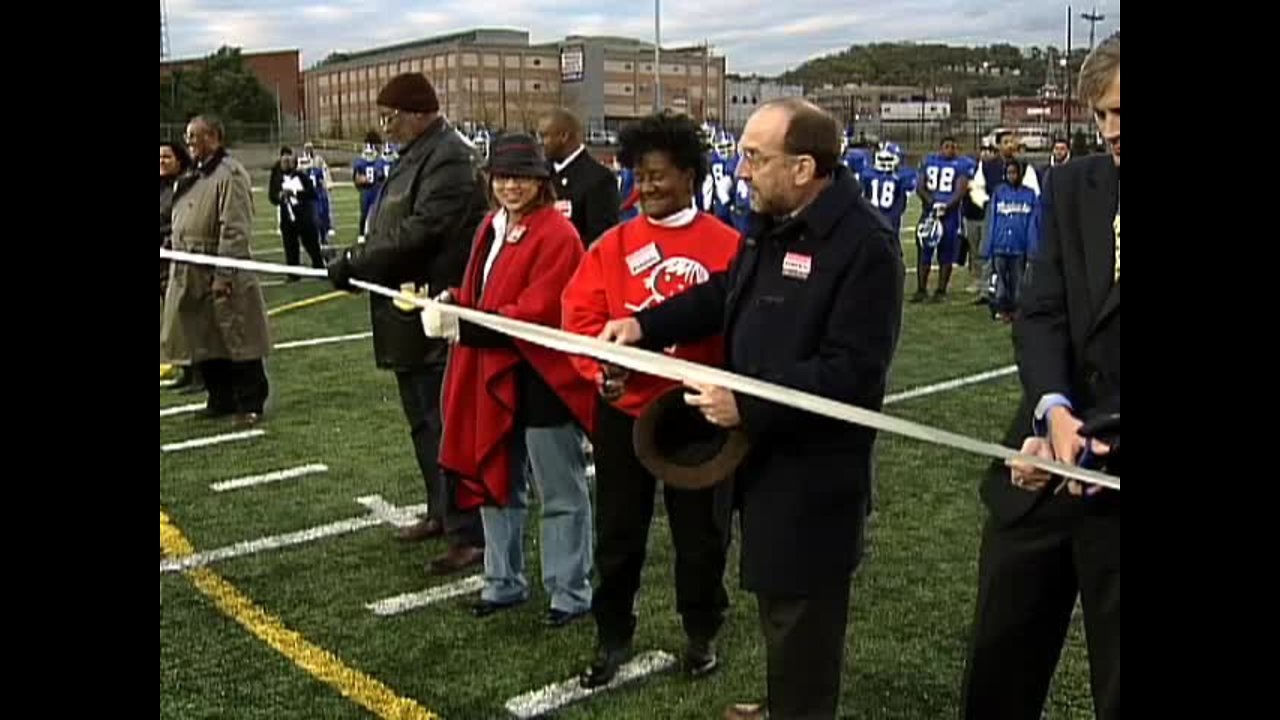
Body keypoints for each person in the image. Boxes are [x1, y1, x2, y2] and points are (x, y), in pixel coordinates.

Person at [599, 98, 904, 720]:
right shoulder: (774, 224)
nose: (739, 171)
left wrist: (749, 402)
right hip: (761, 463)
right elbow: (721, 294)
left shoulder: (863, 247)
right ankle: (784, 702)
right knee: (776, 601)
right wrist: (642, 325)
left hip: (815, 475)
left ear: (802, 168)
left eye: (754, 158)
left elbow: (853, 373)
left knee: (801, 611)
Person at [960, 31, 1120, 720]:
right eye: (1104, 115)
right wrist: (1051, 414)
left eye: (1125, 113)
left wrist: (1093, 439)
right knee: (998, 666)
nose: (1114, 131)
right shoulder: (1073, 183)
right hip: (1041, 467)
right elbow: (1043, 310)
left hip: (1110, 470)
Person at [561, 112, 740, 688]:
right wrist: (601, 373)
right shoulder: (612, 245)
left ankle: (701, 632)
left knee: (701, 537)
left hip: (697, 414)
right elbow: (580, 319)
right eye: (639, 174)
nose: (646, 186)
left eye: (659, 175)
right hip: (626, 413)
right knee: (617, 533)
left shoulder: (731, 246)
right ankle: (612, 635)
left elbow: (747, 332)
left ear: (690, 175)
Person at [431, 133, 596, 624]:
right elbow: (478, 289)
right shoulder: (490, 226)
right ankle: (502, 581)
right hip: (491, 372)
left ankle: (570, 592)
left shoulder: (558, 234)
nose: (511, 186)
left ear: (541, 182)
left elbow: (541, 309)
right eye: (502, 177)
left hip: (542, 377)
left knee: (560, 490)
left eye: (522, 177)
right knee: (496, 480)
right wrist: (452, 302)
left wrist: (473, 323)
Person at [327, 73, 488, 573]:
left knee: (447, 422)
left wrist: (360, 260)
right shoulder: (417, 153)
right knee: (423, 419)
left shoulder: (450, 157)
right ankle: (441, 510)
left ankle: (470, 531)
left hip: (435, 308)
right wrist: (366, 259)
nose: (386, 126)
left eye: (390, 116)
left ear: (418, 112)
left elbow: (424, 230)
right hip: (407, 309)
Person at [161, 115, 271, 428]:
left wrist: (225, 273)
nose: (190, 142)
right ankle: (219, 398)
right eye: (187, 136)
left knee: (238, 337)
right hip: (189, 267)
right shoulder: (193, 174)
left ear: (214, 137)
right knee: (204, 338)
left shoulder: (230, 174)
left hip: (217, 266)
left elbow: (234, 228)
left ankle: (250, 402)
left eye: (196, 136)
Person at [538, 108, 620, 246]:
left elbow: (601, 240)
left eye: (544, 136)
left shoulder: (599, 178)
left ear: (563, 136)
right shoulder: (541, 174)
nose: (540, 142)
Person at [160, 141, 202, 394]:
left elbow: (181, 222)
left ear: (179, 159)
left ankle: (199, 372)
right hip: (162, 262)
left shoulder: (185, 186)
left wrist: (166, 243)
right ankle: (185, 369)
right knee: (171, 320)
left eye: (167, 156)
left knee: (185, 317)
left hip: (176, 259)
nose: (162, 161)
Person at [914, 136, 973, 302]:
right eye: (946, 146)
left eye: (953, 147)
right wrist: (931, 202)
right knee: (924, 251)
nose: (950, 150)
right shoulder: (928, 161)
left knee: (946, 253)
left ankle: (941, 290)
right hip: (929, 213)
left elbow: (961, 189)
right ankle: (921, 289)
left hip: (950, 215)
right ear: (940, 148)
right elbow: (920, 186)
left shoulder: (963, 164)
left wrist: (947, 205)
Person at [982, 160, 1039, 323]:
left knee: (1018, 280)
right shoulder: (999, 192)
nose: (1012, 176)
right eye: (1009, 173)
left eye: (1015, 173)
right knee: (999, 280)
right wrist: (988, 245)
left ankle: (1017, 309)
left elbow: (1033, 223)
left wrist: (1031, 247)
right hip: (1000, 245)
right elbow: (992, 219)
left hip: (1019, 246)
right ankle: (1000, 309)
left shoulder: (1029, 194)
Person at [268, 147, 325, 273]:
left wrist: (295, 193)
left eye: (289, 160)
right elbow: (272, 196)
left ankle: (319, 267)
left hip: (303, 216)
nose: (286, 163)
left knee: (311, 244)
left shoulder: (300, 176)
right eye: (284, 161)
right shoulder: (276, 178)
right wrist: (280, 196)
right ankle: (293, 272)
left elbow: (312, 193)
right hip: (287, 217)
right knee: (290, 246)